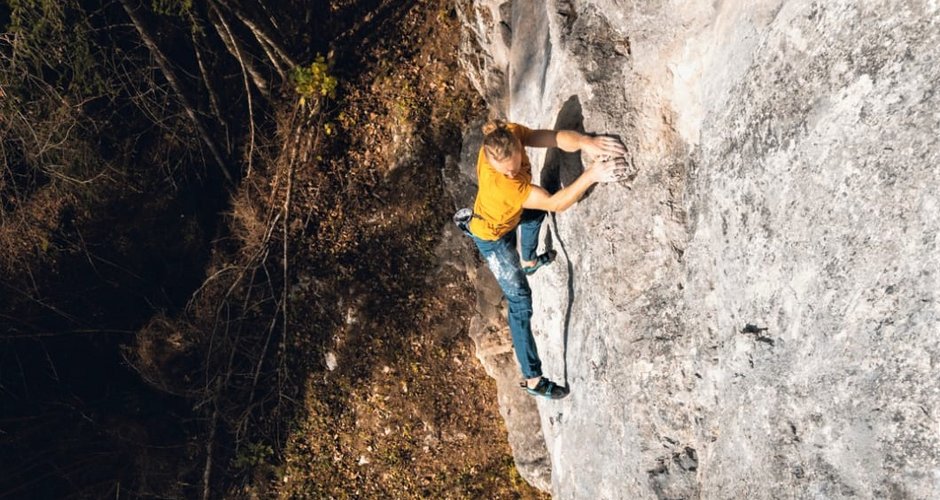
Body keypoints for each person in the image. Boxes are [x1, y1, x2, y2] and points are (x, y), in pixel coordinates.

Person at [464, 119, 628, 399]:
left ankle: (528, 262)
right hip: (490, 238)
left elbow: (553, 138)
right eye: (505, 172)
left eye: (514, 168)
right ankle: (533, 380)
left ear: (516, 145)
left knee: (534, 214)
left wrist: (586, 142)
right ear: (493, 165)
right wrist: (591, 174)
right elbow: (556, 204)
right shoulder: (506, 186)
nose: (512, 174)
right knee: (520, 303)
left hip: (506, 218)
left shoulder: (508, 136)